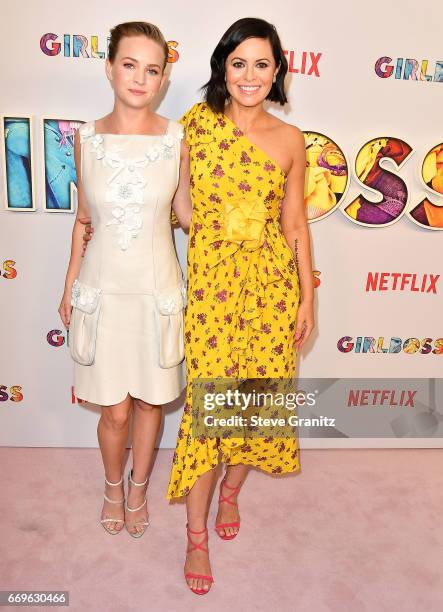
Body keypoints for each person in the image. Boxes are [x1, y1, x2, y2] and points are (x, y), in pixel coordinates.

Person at [169, 18, 314, 595]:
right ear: (222, 68)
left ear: (276, 70)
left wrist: (308, 295)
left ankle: (232, 492)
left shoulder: (290, 139)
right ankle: (196, 535)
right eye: (239, 63)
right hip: (211, 288)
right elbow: (180, 209)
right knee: (211, 411)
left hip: (271, 288)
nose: (250, 75)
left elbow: (296, 222)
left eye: (261, 64)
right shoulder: (194, 127)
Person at [58, 21, 191, 538]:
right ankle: (113, 487)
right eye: (129, 64)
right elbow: (83, 219)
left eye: (151, 69)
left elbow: (187, 216)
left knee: (151, 402)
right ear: (109, 66)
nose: (140, 78)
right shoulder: (87, 139)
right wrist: (69, 283)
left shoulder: (177, 139)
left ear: (162, 78)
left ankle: (139, 490)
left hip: (157, 291)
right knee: (114, 410)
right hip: (103, 290)